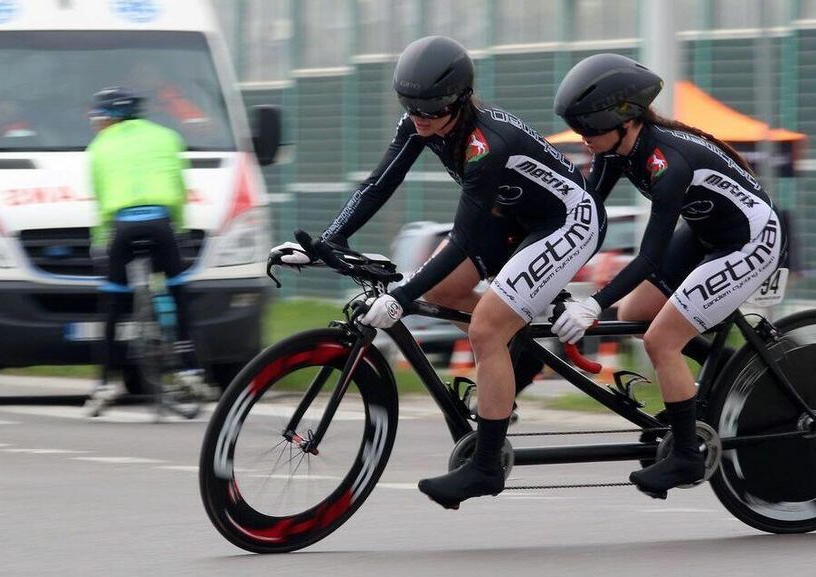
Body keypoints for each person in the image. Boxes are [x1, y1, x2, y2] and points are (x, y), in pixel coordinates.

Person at [269, 35, 606, 509]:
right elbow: (377, 185)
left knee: (485, 327)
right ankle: (517, 354)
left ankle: (486, 468)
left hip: (566, 219)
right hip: (509, 217)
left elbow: (463, 240)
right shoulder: (421, 122)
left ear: (460, 101)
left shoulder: (484, 144)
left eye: (431, 111)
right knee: (447, 293)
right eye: (412, 109)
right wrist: (327, 243)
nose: (421, 120)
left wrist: (403, 296)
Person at [551, 53, 785, 498]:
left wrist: (591, 304)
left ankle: (685, 456)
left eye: (589, 130)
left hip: (752, 241)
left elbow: (650, 258)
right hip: (706, 233)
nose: (583, 140)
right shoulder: (618, 149)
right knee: (636, 311)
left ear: (624, 120)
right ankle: (728, 369)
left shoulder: (667, 162)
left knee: (661, 339)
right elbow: (584, 219)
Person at [82, 87, 200, 409]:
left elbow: (102, 200)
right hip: (162, 222)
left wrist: (100, 245)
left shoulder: (98, 146)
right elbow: (178, 188)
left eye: (97, 118)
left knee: (113, 305)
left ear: (108, 118)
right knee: (176, 293)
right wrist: (180, 231)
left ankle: (108, 382)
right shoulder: (167, 136)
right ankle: (191, 369)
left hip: (122, 225)